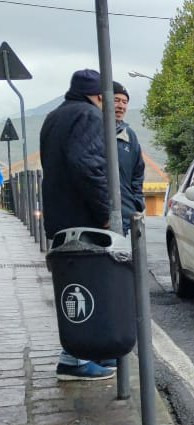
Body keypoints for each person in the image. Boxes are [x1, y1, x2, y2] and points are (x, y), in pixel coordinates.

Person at [39, 69, 115, 382]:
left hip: (60, 217)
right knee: (86, 288)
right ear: (99, 96)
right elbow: (88, 166)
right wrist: (105, 212)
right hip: (82, 220)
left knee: (77, 286)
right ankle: (75, 359)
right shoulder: (88, 116)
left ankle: (88, 350)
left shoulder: (54, 117)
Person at [112, 82, 145, 238]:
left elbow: (138, 172)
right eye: (116, 100)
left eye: (124, 102)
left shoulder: (129, 136)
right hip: (99, 217)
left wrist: (137, 202)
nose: (121, 106)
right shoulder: (93, 130)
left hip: (125, 216)